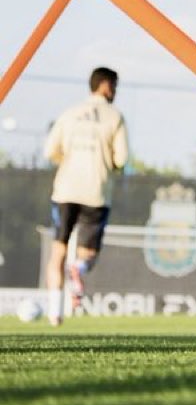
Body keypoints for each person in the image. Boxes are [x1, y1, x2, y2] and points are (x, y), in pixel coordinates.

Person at [42, 67, 128, 325]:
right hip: (96, 191)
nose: (115, 91)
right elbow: (121, 159)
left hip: (65, 189)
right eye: (114, 85)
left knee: (57, 252)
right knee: (87, 256)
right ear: (104, 85)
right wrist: (107, 164)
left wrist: (68, 161)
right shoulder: (114, 116)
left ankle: (55, 313)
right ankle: (78, 271)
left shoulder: (69, 113)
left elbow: (50, 151)